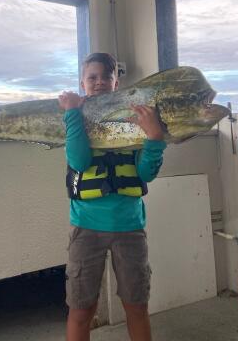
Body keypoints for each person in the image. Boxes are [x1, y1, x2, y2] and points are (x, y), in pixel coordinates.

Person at [58, 52, 166, 341]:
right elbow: (79, 162)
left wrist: (155, 138)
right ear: (83, 83)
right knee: (81, 311)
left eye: (107, 77)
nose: (100, 82)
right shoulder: (76, 118)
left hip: (129, 227)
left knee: (137, 306)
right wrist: (71, 113)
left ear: (116, 83)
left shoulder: (134, 116)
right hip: (86, 227)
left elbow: (145, 173)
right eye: (92, 77)